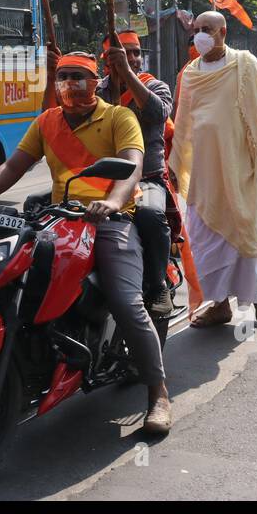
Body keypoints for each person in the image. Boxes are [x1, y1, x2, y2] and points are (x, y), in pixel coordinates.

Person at [0, 51, 172, 434]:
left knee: (126, 301)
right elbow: (14, 166)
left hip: (110, 220)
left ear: (96, 81)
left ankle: (157, 393)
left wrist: (113, 201)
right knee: (12, 279)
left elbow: (133, 164)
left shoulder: (120, 117)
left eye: (80, 78)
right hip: (60, 220)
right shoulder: (46, 122)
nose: (71, 85)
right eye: (64, 78)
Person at [171, 11, 257, 328]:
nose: (200, 35)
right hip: (205, 175)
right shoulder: (191, 73)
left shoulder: (246, 64)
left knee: (246, 234)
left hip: (241, 169)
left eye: (207, 29)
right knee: (206, 241)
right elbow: (182, 126)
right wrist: (176, 164)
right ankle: (219, 306)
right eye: (196, 30)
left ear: (223, 31)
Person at [97, 30, 177, 316]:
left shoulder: (156, 86)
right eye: (123, 53)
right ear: (105, 60)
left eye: (135, 53)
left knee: (150, 216)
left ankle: (158, 285)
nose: (131, 57)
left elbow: (157, 114)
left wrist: (128, 74)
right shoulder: (96, 91)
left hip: (146, 179)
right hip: (101, 179)